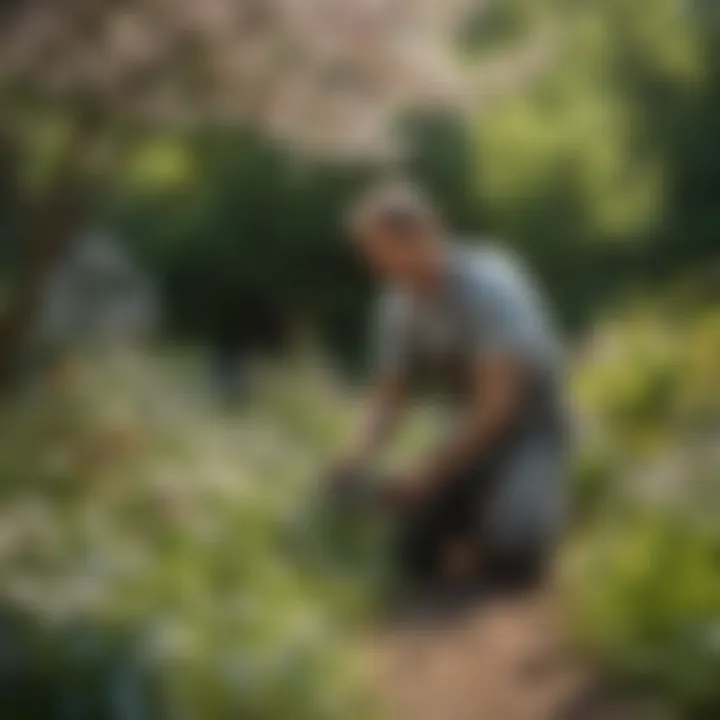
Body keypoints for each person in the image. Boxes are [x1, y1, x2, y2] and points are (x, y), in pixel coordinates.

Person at [331, 180, 568, 594]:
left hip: (529, 430)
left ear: (422, 236)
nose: (374, 265)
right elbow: (390, 397)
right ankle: (476, 513)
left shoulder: (493, 286)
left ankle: (537, 505)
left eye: (380, 250)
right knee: (412, 549)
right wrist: (355, 456)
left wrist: (428, 472)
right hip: (466, 429)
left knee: (514, 550)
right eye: (368, 252)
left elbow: (500, 405)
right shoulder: (397, 306)